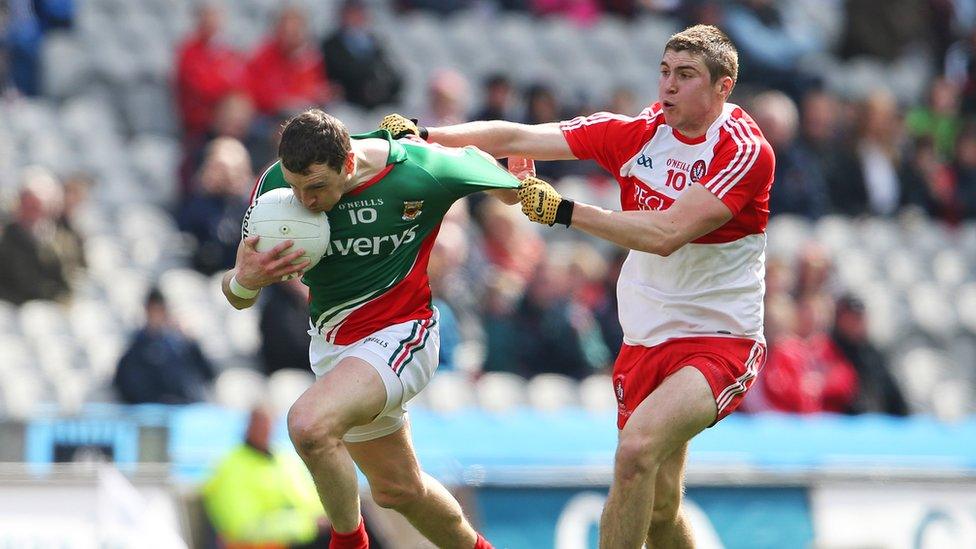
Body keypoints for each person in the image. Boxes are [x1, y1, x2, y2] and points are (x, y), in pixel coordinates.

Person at [382, 24, 774, 548]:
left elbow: (666, 233)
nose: (669, 87)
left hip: (718, 337)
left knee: (635, 452)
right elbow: (518, 137)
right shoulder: (637, 134)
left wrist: (565, 210)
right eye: (664, 72)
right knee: (658, 510)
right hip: (645, 336)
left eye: (686, 76)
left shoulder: (746, 151)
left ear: (723, 88)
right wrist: (426, 136)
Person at [221, 109, 520, 549]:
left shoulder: (418, 170)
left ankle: (350, 543)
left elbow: (509, 189)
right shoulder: (273, 188)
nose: (303, 199)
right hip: (336, 350)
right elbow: (237, 295)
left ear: (346, 164)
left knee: (307, 425)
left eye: (316, 187)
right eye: (295, 184)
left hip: (404, 334)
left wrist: (518, 168)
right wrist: (244, 279)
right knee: (399, 490)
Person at [203, 405, 329, 549]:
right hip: (268, 544)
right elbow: (243, 528)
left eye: (269, 424)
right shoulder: (230, 467)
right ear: (249, 426)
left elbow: (312, 502)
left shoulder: (284, 458)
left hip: (305, 537)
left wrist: (324, 520)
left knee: (354, 520)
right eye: (260, 424)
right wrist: (308, 524)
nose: (266, 430)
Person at [113, 288, 215, 404]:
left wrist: (190, 341)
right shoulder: (136, 344)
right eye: (154, 310)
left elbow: (206, 373)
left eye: (160, 310)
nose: (157, 315)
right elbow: (126, 381)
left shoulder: (178, 343)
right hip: (149, 410)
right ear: (147, 311)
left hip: (180, 407)